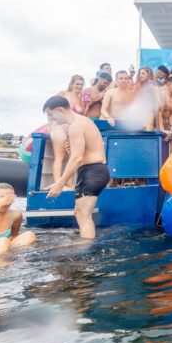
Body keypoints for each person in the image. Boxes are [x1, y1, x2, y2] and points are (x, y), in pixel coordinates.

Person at [44, 96, 109, 239]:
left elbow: (76, 158)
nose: (52, 119)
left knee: (83, 215)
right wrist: (70, 151)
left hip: (92, 171)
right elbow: (80, 154)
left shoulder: (75, 125)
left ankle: (84, 255)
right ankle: (85, 245)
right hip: (95, 171)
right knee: (80, 213)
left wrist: (60, 184)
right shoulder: (82, 121)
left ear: (60, 110)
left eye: (51, 114)